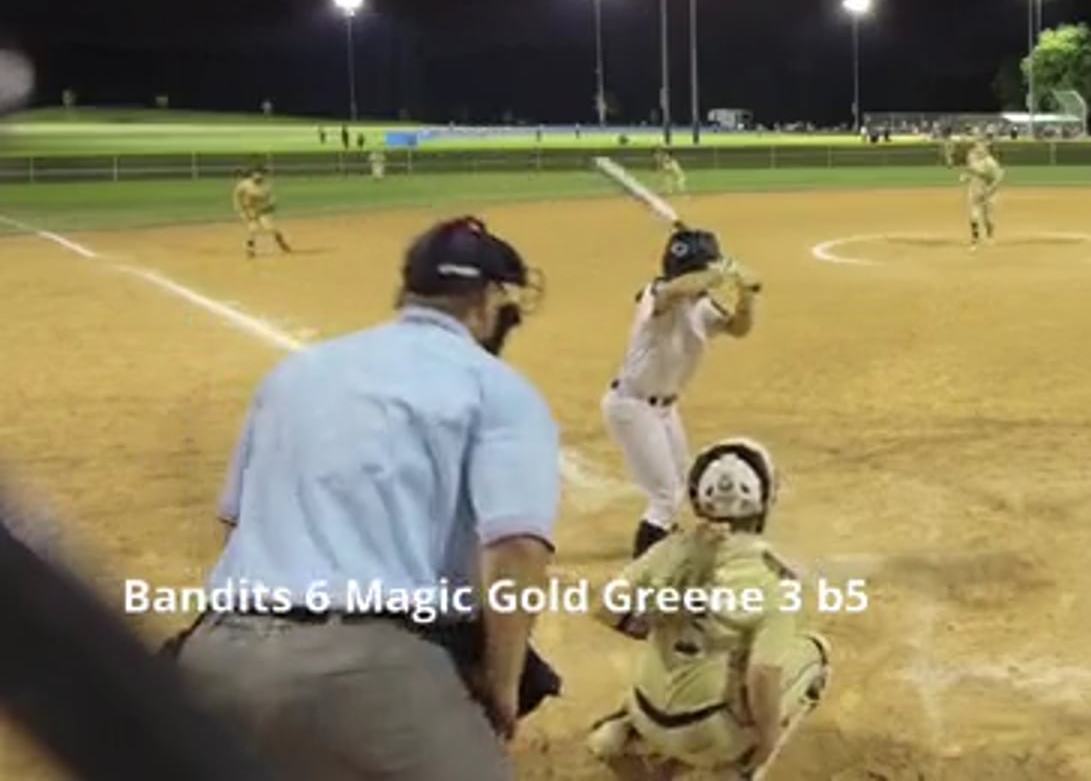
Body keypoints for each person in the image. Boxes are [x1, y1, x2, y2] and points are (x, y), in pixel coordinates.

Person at [172, 217, 563, 780]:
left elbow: (235, 525)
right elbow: (517, 549)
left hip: (218, 660)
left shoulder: (295, 372)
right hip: (370, 673)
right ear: (490, 300)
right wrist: (503, 685)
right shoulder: (495, 386)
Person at [585, 438, 830, 779]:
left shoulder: (669, 549)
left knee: (668, 662)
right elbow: (762, 675)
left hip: (646, 713)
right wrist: (768, 738)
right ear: (765, 500)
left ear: (697, 498)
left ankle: (624, 733)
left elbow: (604, 607)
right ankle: (740, 771)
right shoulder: (773, 578)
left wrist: (657, 621)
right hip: (709, 732)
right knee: (816, 654)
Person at [603, 227, 761, 557]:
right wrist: (722, 271)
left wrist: (746, 294)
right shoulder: (657, 294)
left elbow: (739, 329)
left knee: (684, 481)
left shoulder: (701, 306)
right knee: (665, 496)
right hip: (632, 406)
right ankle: (645, 571)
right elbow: (676, 289)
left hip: (664, 409)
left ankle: (668, 543)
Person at [946, 132, 1004, 249]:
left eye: (981, 145)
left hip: (988, 191)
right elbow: (971, 171)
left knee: (988, 218)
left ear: (986, 148)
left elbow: (998, 178)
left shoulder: (991, 163)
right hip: (975, 188)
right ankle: (975, 238)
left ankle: (990, 235)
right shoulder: (971, 156)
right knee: (973, 215)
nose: (978, 148)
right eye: (977, 145)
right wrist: (966, 177)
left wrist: (989, 191)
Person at [232, 167, 292, 258]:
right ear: (252, 176)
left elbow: (271, 200)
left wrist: (271, 205)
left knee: (270, 228)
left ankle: (281, 241)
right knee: (253, 229)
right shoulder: (244, 185)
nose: (258, 177)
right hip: (249, 210)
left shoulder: (266, 186)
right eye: (255, 175)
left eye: (260, 175)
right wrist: (240, 209)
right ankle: (250, 250)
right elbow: (237, 195)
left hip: (262, 210)